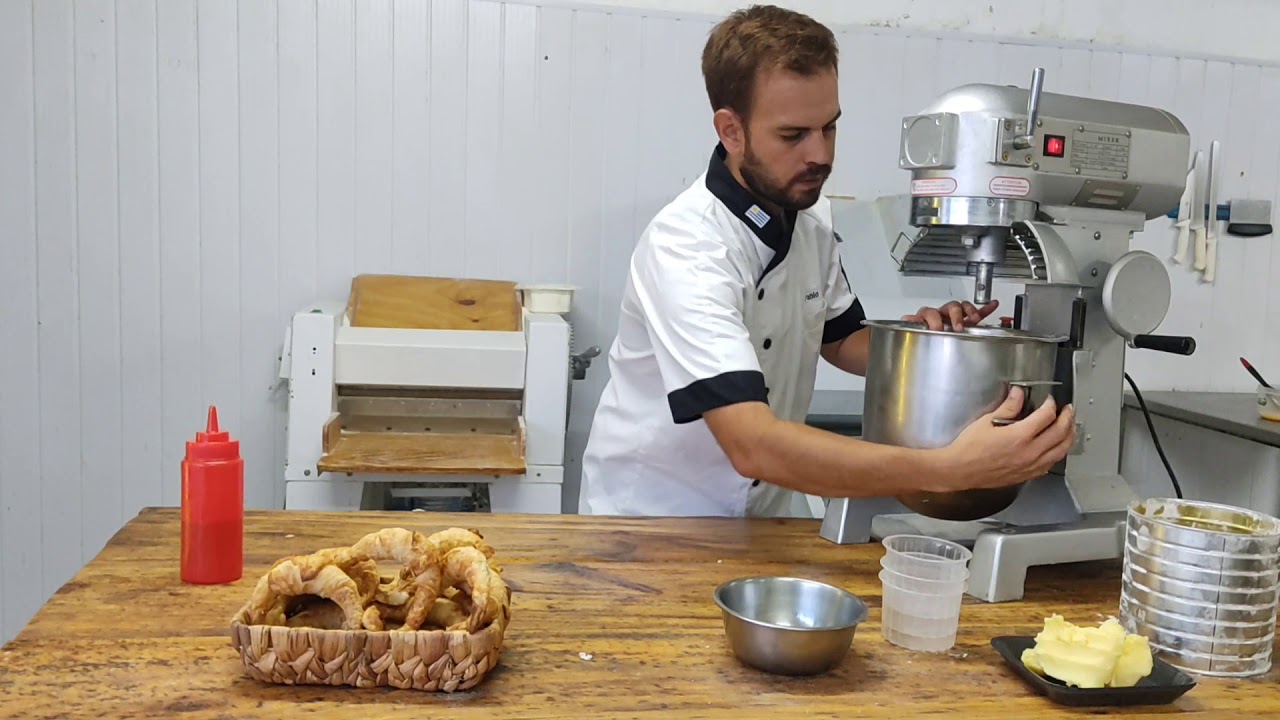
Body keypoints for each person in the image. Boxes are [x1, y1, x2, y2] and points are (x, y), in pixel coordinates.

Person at [577, 4, 1076, 517]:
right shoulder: (687, 248)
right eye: (793, 136)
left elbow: (840, 339)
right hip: (652, 524)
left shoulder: (808, 217)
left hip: (764, 518)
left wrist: (926, 345)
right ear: (731, 130)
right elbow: (752, 444)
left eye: (830, 128)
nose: (821, 155)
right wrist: (949, 468)